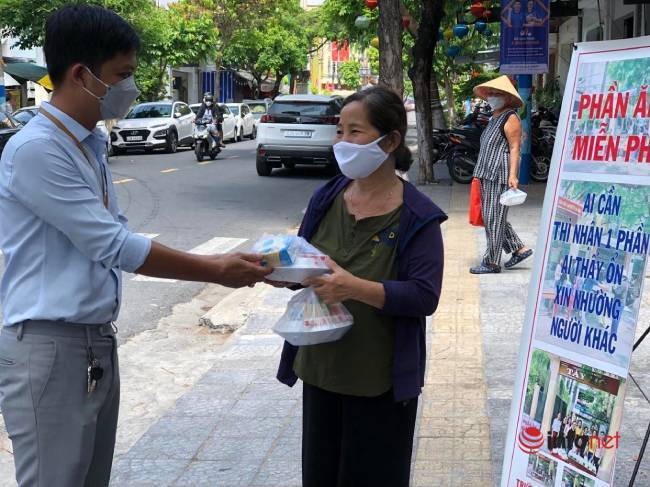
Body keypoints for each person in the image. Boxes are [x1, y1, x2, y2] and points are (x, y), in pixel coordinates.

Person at [0, 6, 271, 487]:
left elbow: (117, 232)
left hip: (94, 341)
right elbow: (114, 244)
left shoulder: (89, 144)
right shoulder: (37, 149)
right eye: (121, 75)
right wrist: (216, 269)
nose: (131, 88)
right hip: (49, 346)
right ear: (81, 75)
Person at [276, 86, 447, 487]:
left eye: (355, 132)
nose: (342, 142)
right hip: (321, 369)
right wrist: (281, 271)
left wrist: (354, 287)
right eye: (339, 131)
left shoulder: (417, 215)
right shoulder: (327, 197)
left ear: (389, 142)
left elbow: (424, 296)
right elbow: (303, 259)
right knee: (320, 477)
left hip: (378, 383)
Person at [470, 75, 533, 274]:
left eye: (496, 94)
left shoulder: (510, 117)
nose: (491, 97)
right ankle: (519, 248)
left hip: (499, 173)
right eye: (490, 94)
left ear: (506, 97)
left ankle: (492, 262)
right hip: (486, 172)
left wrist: (513, 175)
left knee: (493, 218)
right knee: (492, 216)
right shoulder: (494, 117)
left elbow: (515, 148)